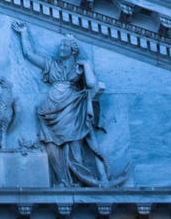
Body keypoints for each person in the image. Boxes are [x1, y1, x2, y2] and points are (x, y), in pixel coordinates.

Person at [12, 23, 110, 186]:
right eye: (61, 45)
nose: (61, 48)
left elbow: (91, 84)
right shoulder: (52, 64)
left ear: (73, 50)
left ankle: (79, 177)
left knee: (74, 143)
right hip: (50, 109)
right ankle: (62, 179)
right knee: (51, 144)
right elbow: (29, 54)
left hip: (72, 107)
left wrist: (86, 65)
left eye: (65, 45)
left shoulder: (79, 66)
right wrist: (23, 33)